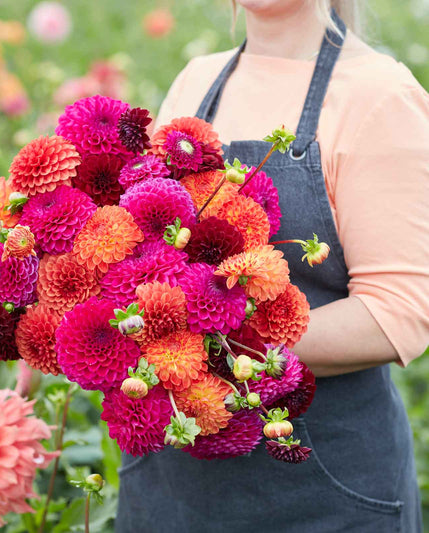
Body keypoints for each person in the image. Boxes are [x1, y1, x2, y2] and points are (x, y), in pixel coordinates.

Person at [115, 1, 429, 531]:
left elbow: (396, 313)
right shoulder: (197, 80)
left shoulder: (377, 95)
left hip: (320, 487)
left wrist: (212, 345)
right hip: (170, 479)